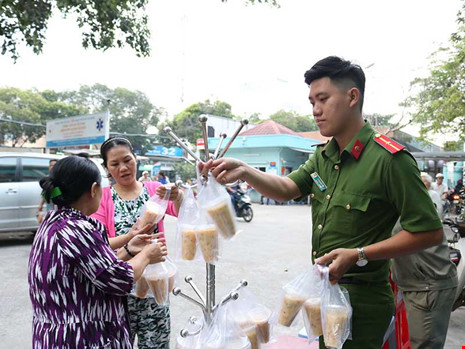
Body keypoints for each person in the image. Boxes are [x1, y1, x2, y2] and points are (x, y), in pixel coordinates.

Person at [200, 56, 443, 349]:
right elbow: (288, 188)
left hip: (363, 303)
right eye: (312, 101)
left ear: (352, 96)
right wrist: (245, 170)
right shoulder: (324, 156)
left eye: (323, 99)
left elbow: (430, 232)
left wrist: (359, 254)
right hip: (323, 295)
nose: (315, 110)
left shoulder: (389, 160)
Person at [28, 154, 167, 348]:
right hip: (82, 337)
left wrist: (128, 247)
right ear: (94, 190)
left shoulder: (53, 222)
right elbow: (118, 278)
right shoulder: (77, 229)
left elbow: (94, 266)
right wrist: (146, 254)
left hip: (54, 336)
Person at [92, 137, 183, 349]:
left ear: (135, 159)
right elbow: (99, 242)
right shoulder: (104, 197)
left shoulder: (154, 189)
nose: (123, 168)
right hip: (121, 287)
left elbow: (182, 213)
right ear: (107, 168)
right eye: (115, 164)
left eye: (127, 160)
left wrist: (177, 197)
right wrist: (130, 241)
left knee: (156, 344)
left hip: (155, 282)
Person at [391, 173, 457, 349]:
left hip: (428, 287)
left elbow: (399, 237)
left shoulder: (416, 201)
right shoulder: (404, 200)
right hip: (419, 284)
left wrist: (360, 254)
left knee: (425, 345)